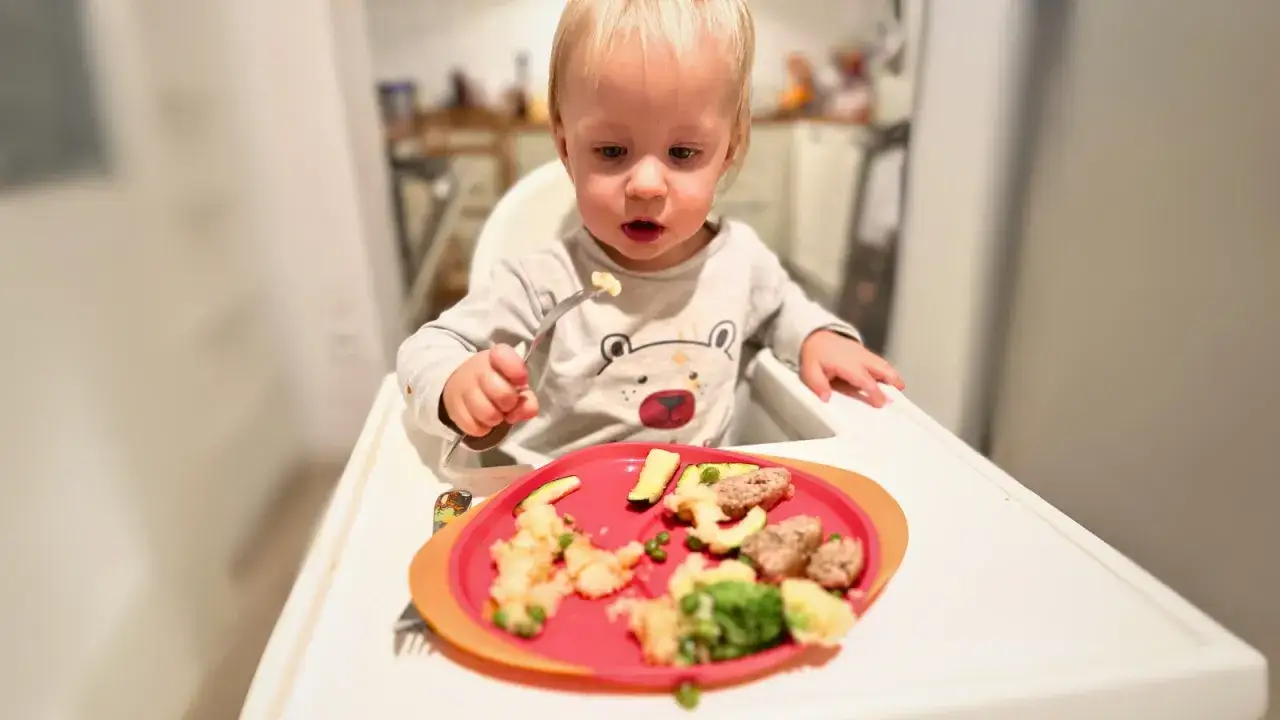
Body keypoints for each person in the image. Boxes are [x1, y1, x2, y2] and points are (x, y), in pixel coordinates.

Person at [397, 0, 904, 459]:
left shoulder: (741, 262)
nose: (645, 185)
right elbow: (426, 349)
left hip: (692, 503)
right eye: (611, 151)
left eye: (682, 153)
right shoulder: (543, 284)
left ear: (728, 151)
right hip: (558, 503)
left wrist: (819, 337)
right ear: (567, 148)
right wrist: (457, 385)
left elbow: (785, 311)